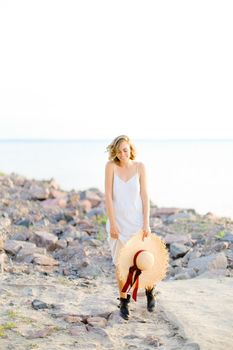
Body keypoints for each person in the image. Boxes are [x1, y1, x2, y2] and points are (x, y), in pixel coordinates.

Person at [104, 135, 156, 320]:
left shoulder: (140, 167)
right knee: (121, 264)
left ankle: (150, 291)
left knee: (143, 261)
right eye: (118, 151)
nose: (122, 154)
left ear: (130, 149)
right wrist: (112, 224)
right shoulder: (111, 167)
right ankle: (123, 302)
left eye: (125, 150)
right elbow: (108, 196)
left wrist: (146, 223)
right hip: (117, 223)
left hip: (136, 223)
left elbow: (144, 196)